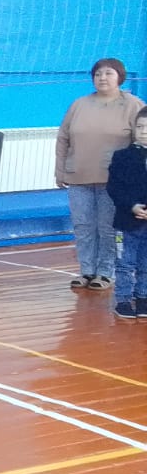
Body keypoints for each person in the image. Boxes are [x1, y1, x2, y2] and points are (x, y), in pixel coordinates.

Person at [55, 57, 144, 291]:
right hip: (78, 177)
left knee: (107, 228)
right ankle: (86, 270)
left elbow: (141, 142)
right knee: (83, 226)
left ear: (120, 77)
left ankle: (106, 272)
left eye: (108, 73)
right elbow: (63, 138)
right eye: (98, 74)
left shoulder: (133, 105)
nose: (102, 78)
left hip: (114, 182)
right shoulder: (79, 104)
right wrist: (60, 170)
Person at [106, 107, 147, 319]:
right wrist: (132, 206)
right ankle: (123, 300)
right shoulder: (122, 157)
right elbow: (115, 187)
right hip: (126, 221)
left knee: (145, 263)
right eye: (140, 126)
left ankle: (143, 298)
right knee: (124, 263)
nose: (144, 131)